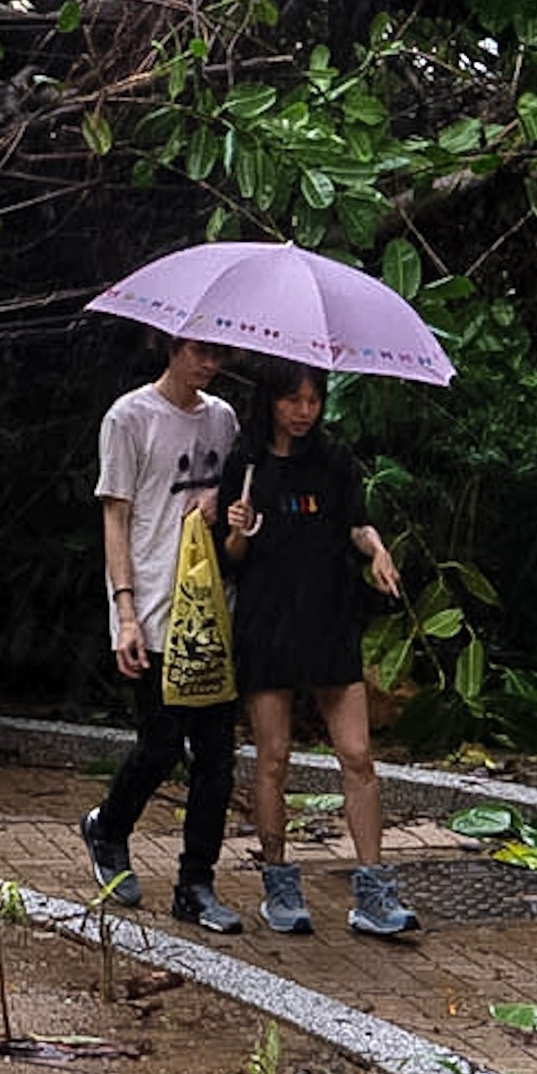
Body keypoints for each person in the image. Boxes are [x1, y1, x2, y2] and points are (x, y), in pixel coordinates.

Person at [220, 358, 417, 939]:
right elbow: (231, 557)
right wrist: (237, 527)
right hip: (267, 622)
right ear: (272, 402)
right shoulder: (246, 462)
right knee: (273, 757)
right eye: (292, 401)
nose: (304, 412)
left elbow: (356, 523)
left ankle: (374, 889)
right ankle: (279, 882)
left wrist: (376, 550)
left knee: (357, 755)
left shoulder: (334, 461)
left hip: (329, 620)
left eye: (312, 400)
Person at [80, 335, 246, 934]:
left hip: (208, 611)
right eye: (198, 352)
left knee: (218, 761)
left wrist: (226, 508)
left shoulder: (223, 420)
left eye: (217, 356)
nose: (208, 365)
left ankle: (195, 883)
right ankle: (108, 826)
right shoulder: (129, 417)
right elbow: (116, 516)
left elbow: (231, 503)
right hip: (152, 606)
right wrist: (124, 611)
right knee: (160, 745)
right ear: (170, 348)